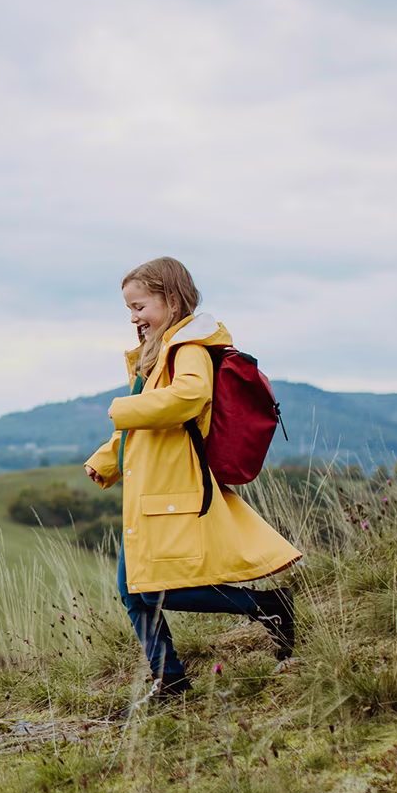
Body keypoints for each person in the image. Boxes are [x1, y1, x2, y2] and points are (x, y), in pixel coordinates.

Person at [83, 257, 300, 697]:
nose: (133, 318)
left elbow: (189, 398)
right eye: (129, 309)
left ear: (171, 298)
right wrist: (104, 460)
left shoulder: (190, 349)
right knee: (133, 592)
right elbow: (141, 431)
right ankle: (170, 678)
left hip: (172, 491)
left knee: (158, 591)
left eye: (139, 306)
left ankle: (268, 605)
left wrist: (119, 407)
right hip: (148, 493)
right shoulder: (156, 357)